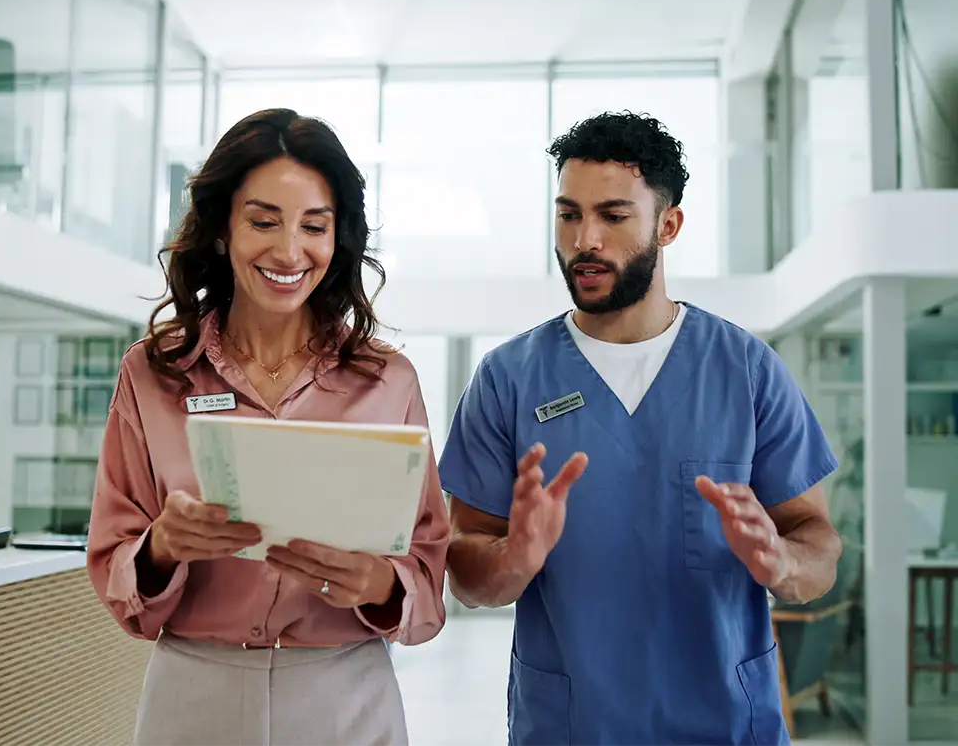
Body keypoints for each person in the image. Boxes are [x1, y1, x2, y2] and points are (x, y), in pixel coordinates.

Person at [439, 111, 843, 746]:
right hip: (570, 725)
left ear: (669, 224)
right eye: (569, 214)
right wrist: (511, 559)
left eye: (614, 215)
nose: (584, 239)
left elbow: (818, 546)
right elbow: (465, 568)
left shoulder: (745, 369)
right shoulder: (507, 379)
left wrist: (780, 559)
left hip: (726, 722)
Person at [87, 108, 448, 746]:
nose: (289, 251)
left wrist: (382, 585)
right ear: (223, 230)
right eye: (263, 222)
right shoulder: (151, 373)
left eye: (315, 226)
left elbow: (426, 570)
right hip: (194, 692)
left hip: (346, 694)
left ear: (339, 240)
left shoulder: (390, 382)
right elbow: (114, 564)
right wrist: (163, 546)